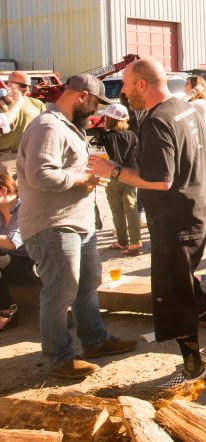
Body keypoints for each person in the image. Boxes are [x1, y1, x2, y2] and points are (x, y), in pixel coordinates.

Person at [88, 58, 206, 387]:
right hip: (196, 211)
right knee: (185, 283)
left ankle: (194, 369)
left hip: (176, 222)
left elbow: (161, 180)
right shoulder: (185, 108)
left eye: (125, 84)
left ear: (142, 84)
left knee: (171, 294)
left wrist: (110, 169)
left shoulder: (157, 120)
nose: (122, 91)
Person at [17, 74, 137, 379]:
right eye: (96, 103)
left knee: (87, 283)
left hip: (76, 222)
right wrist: (83, 179)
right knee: (61, 288)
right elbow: (40, 175)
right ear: (82, 96)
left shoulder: (66, 126)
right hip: (53, 224)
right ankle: (59, 357)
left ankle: (95, 341)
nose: (96, 111)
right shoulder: (48, 126)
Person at [92, 103, 142, 255]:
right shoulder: (132, 135)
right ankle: (135, 241)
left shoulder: (104, 137)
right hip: (130, 175)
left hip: (111, 177)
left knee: (117, 210)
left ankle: (122, 241)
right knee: (131, 208)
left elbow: (99, 158)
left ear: (108, 119)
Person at [0, 173, 40, 332]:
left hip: (31, 264)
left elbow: (12, 243)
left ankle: (7, 311)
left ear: (2, 191)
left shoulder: (23, 207)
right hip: (10, 262)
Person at [1, 71, 46, 175]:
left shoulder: (37, 104)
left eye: (29, 86)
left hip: (31, 158)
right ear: (9, 84)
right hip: (6, 159)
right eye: (23, 85)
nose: (27, 89)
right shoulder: (1, 103)